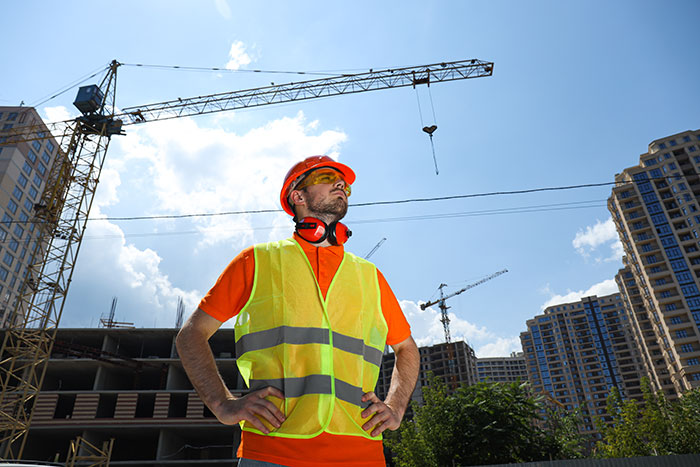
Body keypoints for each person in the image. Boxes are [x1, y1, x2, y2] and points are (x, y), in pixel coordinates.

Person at [176, 155, 419, 467]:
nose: (341, 184)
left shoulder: (369, 275)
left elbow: (406, 348)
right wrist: (223, 404)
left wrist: (396, 407)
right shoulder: (258, 261)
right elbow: (191, 336)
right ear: (298, 196)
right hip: (273, 452)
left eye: (344, 183)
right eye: (328, 177)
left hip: (361, 454)